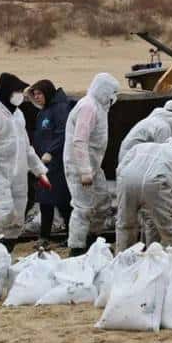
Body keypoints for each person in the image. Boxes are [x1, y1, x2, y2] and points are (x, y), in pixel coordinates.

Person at [0, 73, 51, 251]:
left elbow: (27, 147)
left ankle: (4, 255)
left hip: (19, 174)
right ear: (7, 91)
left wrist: (40, 171)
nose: (21, 95)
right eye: (18, 91)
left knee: (17, 220)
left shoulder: (18, 115)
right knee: (4, 212)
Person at [115, 139, 172, 251]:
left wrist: (122, 184)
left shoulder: (141, 147)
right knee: (170, 228)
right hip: (156, 183)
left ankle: (123, 256)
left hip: (127, 180)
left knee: (125, 224)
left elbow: (121, 167)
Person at [64, 72, 121, 256]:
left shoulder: (99, 107)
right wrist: (84, 171)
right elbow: (79, 140)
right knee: (83, 208)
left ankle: (92, 239)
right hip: (80, 167)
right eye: (112, 92)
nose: (113, 97)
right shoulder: (88, 107)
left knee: (102, 203)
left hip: (94, 166)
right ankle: (77, 248)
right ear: (103, 90)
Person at [29, 79, 73, 247]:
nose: (37, 97)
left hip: (57, 163)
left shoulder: (60, 109)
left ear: (47, 93)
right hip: (43, 164)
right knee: (45, 200)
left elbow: (63, 133)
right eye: (35, 94)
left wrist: (51, 151)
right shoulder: (43, 111)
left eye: (39, 93)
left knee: (63, 201)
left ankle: (71, 235)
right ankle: (44, 236)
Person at [116, 100, 172, 165]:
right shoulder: (163, 127)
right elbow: (163, 155)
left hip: (127, 160)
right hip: (132, 161)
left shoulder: (154, 120)